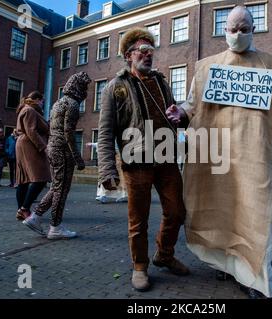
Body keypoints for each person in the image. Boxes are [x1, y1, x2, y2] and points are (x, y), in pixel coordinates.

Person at [166, 6, 272, 298]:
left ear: (253, 30)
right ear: (224, 31)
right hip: (216, 156)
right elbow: (192, 105)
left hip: (255, 155)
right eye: (233, 29)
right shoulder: (207, 66)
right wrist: (180, 114)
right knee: (221, 211)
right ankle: (229, 263)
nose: (238, 34)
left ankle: (256, 276)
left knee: (254, 211)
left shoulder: (271, 65)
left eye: (244, 28)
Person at [97, 28, 189, 292]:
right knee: (139, 220)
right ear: (129, 56)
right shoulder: (115, 88)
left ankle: (165, 255)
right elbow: (105, 132)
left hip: (166, 159)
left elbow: (175, 116)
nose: (148, 55)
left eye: (151, 51)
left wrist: (180, 115)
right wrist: (107, 170)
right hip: (135, 162)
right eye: (142, 50)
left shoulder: (161, 82)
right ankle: (140, 267)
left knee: (177, 212)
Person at [23, 72, 91, 240]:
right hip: (63, 150)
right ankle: (55, 227)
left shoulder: (57, 103)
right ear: (79, 87)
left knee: (56, 187)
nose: (86, 91)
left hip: (52, 148)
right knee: (62, 189)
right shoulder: (73, 104)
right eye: (85, 87)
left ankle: (35, 217)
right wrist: (78, 157)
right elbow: (68, 132)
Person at [14, 91, 51, 221]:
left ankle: (22, 210)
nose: (43, 103)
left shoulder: (26, 109)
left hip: (24, 143)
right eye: (42, 101)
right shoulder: (30, 110)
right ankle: (24, 208)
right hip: (30, 145)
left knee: (23, 179)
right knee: (41, 177)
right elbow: (31, 130)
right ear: (36, 99)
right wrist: (43, 147)